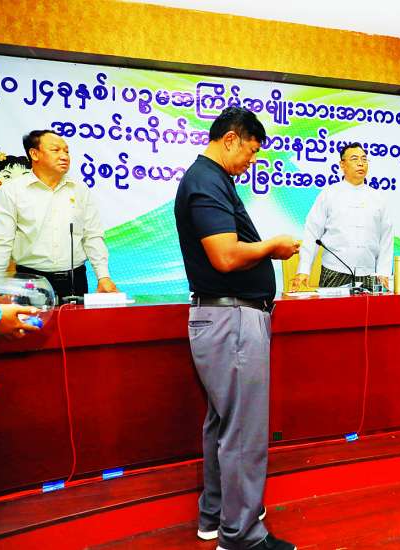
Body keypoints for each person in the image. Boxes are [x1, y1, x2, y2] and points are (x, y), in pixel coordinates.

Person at [174, 106, 299, 550]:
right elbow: (225, 256)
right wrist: (272, 247)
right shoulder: (206, 181)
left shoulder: (212, 180)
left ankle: (216, 515)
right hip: (232, 320)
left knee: (223, 424)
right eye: (250, 151)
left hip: (227, 318)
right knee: (244, 432)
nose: (251, 161)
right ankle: (242, 536)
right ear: (230, 139)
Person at [0, 131, 118, 300]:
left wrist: (103, 276)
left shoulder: (79, 189)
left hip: (75, 279)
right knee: (32, 319)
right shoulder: (12, 191)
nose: (64, 156)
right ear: (34, 154)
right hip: (30, 281)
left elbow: (92, 236)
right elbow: (1, 241)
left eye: (66, 151)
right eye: (55, 150)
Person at [289, 142, 393, 291]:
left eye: (364, 159)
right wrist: (304, 269)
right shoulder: (329, 194)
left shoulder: (378, 198)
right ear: (342, 165)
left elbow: (386, 237)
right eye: (355, 159)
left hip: (369, 274)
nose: (361, 163)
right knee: (332, 307)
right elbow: (312, 232)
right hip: (334, 271)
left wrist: (384, 272)